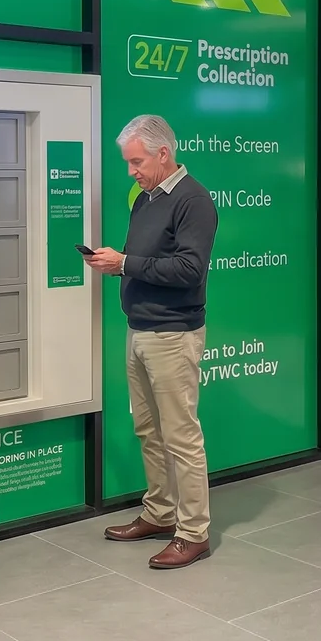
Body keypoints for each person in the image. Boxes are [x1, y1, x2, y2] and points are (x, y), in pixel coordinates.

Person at [89, 114, 219, 569]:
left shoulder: (193, 201)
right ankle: (161, 512)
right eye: (129, 163)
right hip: (140, 329)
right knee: (148, 429)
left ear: (163, 154)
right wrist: (118, 265)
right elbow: (148, 261)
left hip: (173, 334)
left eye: (137, 162)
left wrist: (125, 264)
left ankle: (193, 532)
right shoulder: (146, 199)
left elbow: (189, 270)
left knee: (181, 436)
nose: (131, 171)